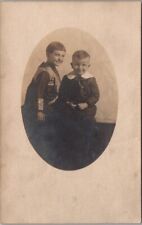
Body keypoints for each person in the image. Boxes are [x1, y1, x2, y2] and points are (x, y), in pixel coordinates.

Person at [55, 50, 100, 167]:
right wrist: (67, 102)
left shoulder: (91, 79)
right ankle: (70, 154)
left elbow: (96, 96)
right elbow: (62, 94)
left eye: (83, 65)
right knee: (69, 131)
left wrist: (86, 103)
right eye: (77, 64)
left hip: (86, 110)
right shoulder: (67, 78)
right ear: (72, 65)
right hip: (70, 110)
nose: (80, 68)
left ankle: (86, 153)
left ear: (88, 66)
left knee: (86, 131)